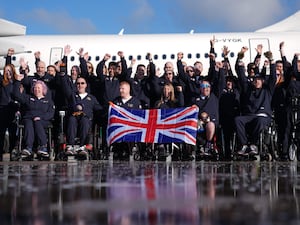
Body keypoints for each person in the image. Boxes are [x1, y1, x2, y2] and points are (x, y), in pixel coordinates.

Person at [234, 48, 276, 156]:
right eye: (255, 80)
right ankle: (243, 145)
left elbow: (273, 77)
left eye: (259, 80)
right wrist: (239, 59)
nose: (256, 81)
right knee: (238, 119)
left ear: (262, 81)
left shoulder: (267, 90)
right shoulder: (248, 89)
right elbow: (242, 77)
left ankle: (253, 144)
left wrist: (271, 61)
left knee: (260, 120)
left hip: (263, 116)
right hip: (250, 115)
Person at [13, 77, 55, 159]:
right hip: (29, 118)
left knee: (37, 122)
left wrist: (41, 117)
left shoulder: (48, 100)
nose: (36, 89)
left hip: (42, 120)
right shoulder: (28, 98)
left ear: (43, 89)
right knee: (28, 123)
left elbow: (51, 113)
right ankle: (28, 147)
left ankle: (43, 146)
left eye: (38, 88)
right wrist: (18, 81)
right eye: (35, 88)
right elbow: (16, 95)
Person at [61, 76, 102, 158]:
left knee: (84, 120)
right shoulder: (72, 96)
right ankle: (70, 145)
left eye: (82, 83)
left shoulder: (91, 98)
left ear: (86, 85)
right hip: (74, 118)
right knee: (71, 120)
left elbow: (98, 108)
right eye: (78, 83)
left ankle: (82, 146)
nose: (80, 85)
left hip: (86, 119)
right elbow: (69, 106)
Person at [112, 81, 142, 160]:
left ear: (128, 89)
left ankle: (131, 148)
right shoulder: (116, 101)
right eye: (120, 89)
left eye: (123, 89)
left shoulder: (135, 102)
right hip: (119, 127)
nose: (121, 91)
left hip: (131, 127)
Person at [0, 62, 19, 161]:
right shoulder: (2, 82)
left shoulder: (16, 82)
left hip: (13, 109)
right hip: (3, 109)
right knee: (1, 132)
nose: (8, 72)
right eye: (6, 71)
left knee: (13, 133)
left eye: (9, 71)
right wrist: (8, 57)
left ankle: (12, 152)